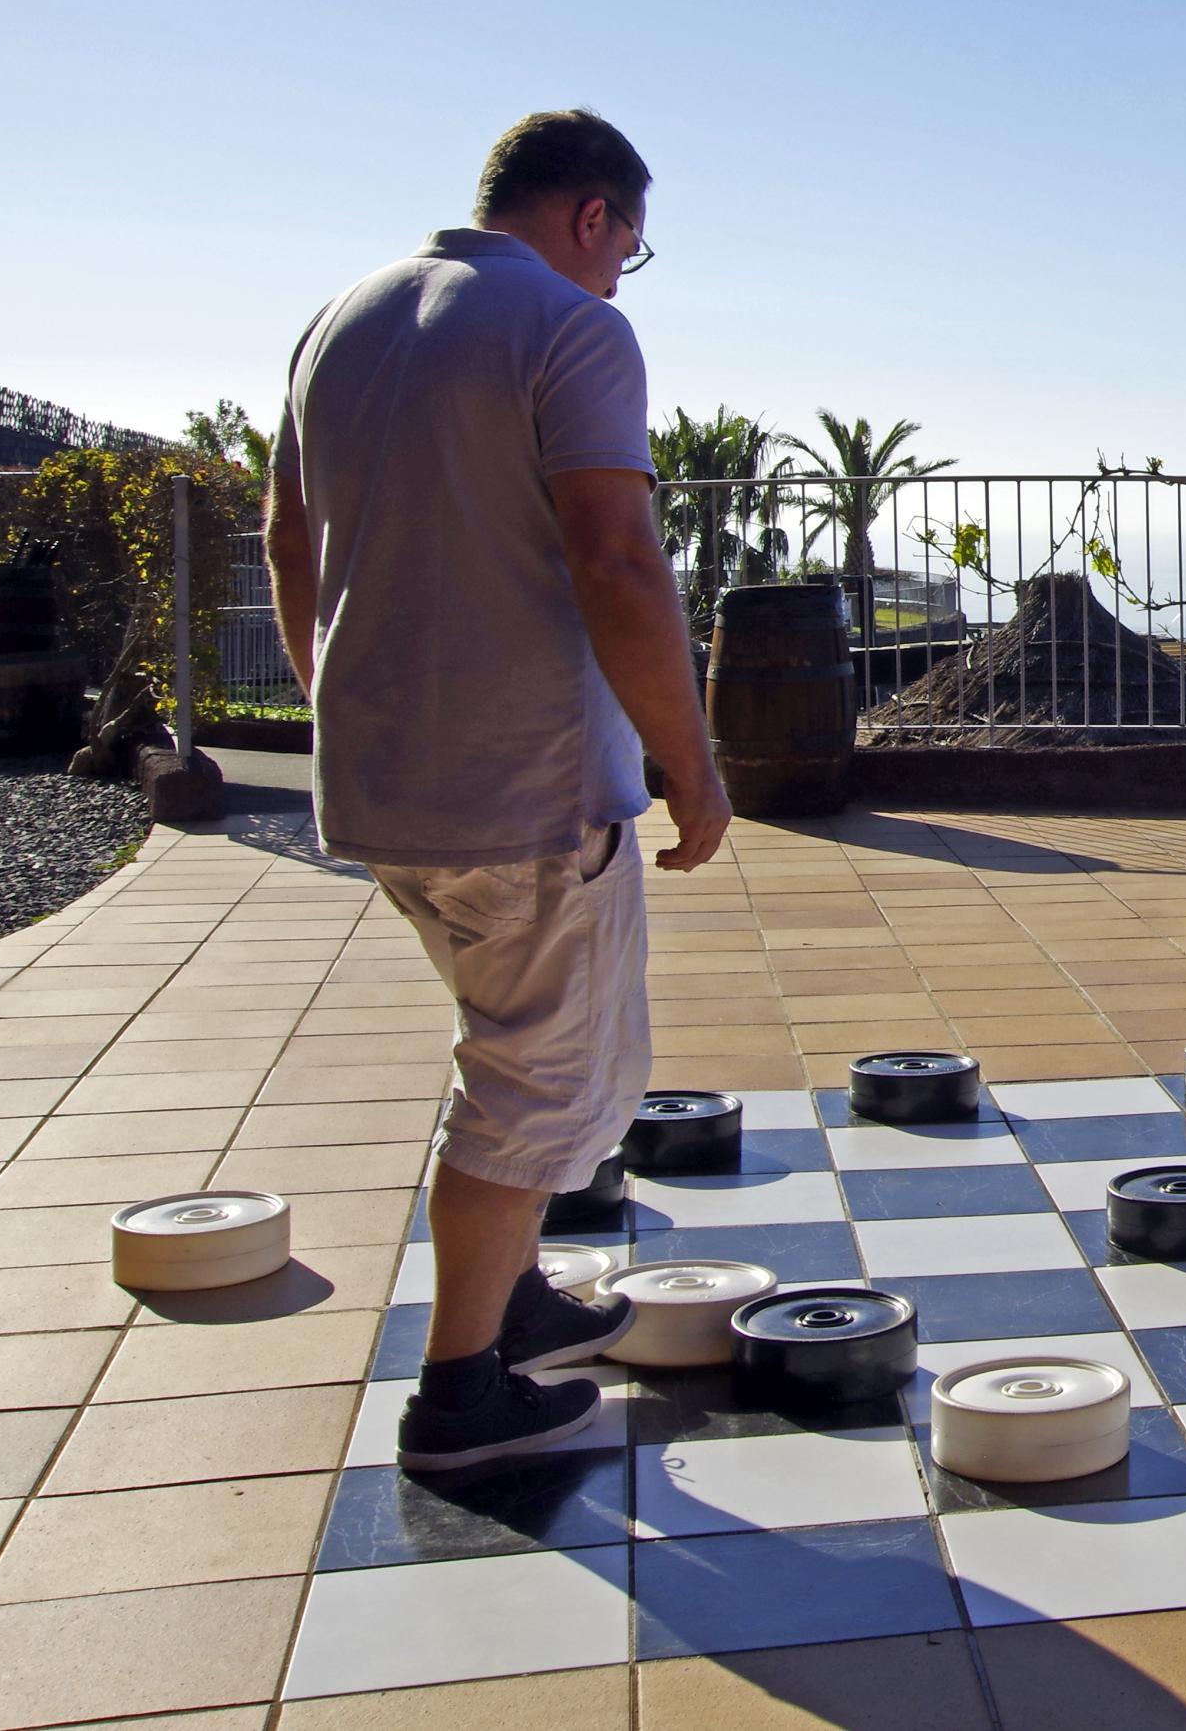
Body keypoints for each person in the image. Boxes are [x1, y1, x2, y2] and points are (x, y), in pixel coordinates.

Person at [266, 109, 733, 1472]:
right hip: (521, 791)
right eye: (626, 249)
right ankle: (461, 1388)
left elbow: (288, 536)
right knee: (531, 1088)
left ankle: (513, 1296)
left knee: (513, 1048)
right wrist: (689, 766)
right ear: (592, 214)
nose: (617, 278)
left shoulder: (340, 320)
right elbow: (618, 559)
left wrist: (334, 705)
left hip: (383, 784)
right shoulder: (569, 328)